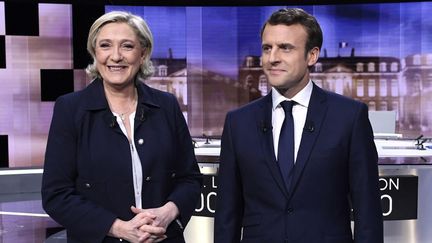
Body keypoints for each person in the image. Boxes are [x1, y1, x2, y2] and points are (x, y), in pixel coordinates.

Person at [214, 8, 383, 243]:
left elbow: (368, 213)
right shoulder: (238, 123)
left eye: (286, 48)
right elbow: (226, 215)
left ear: (312, 56)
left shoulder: (349, 117)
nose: (272, 57)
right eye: (267, 48)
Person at [42, 11, 202, 243]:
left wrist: (168, 213)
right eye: (105, 45)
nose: (115, 56)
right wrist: (117, 228)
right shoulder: (70, 109)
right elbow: (56, 194)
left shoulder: (166, 105)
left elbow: (190, 178)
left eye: (127, 46)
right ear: (95, 52)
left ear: (143, 53)